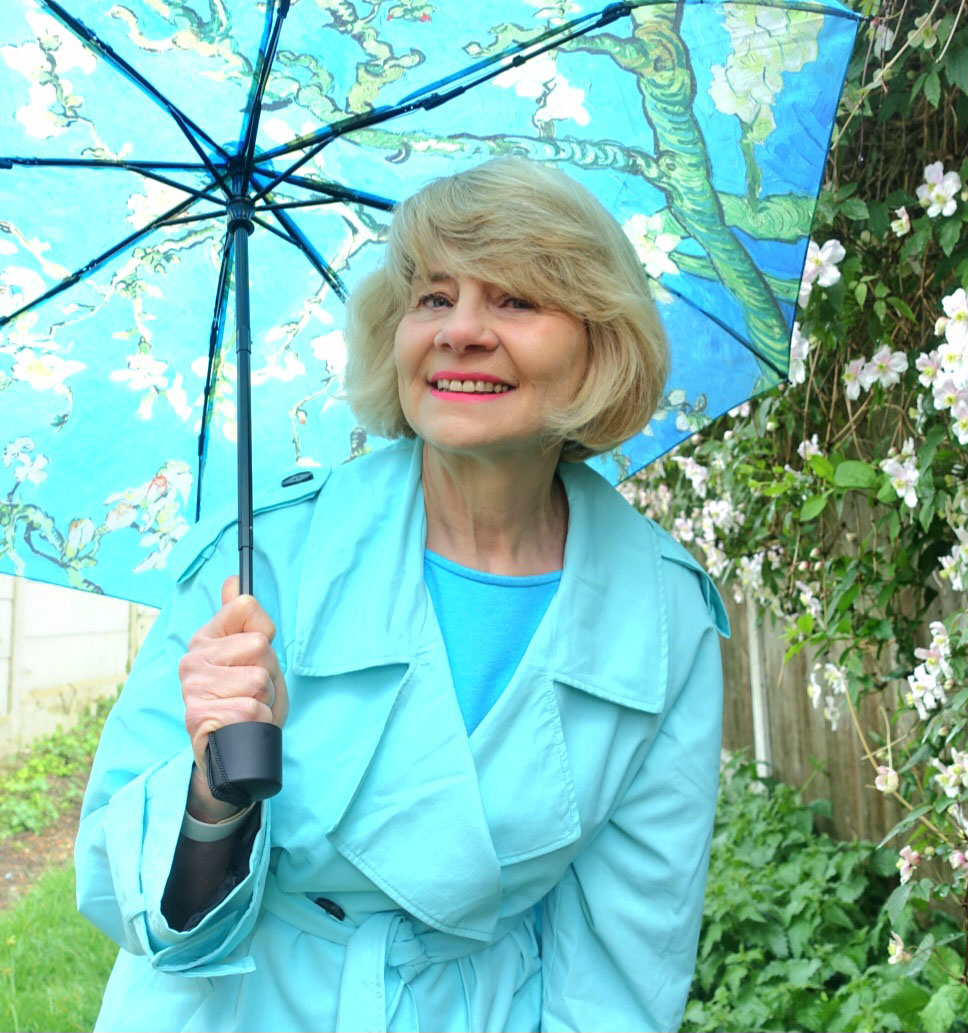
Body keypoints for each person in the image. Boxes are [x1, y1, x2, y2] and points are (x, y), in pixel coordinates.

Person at [75, 157, 730, 1032]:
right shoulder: (261, 558)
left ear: (600, 346)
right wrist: (211, 798)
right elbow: (121, 886)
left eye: (515, 300)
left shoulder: (663, 613)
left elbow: (623, 960)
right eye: (432, 297)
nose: (460, 331)